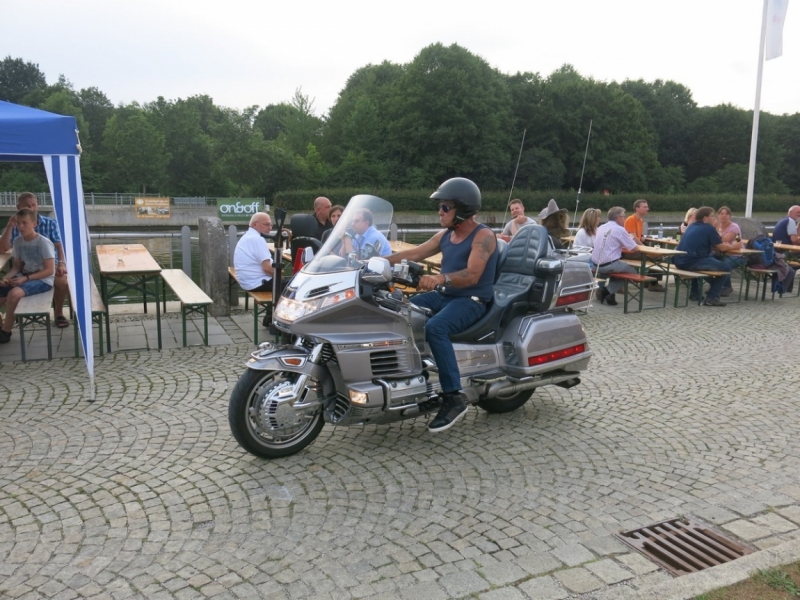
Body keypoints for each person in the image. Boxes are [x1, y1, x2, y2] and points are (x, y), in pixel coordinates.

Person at [388, 177, 498, 433]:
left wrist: (439, 278)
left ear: (463, 208)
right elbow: (414, 253)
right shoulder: (447, 234)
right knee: (401, 310)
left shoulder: (484, 236)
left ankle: (453, 397)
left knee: (436, 327)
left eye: (445, 207)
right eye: (440, 207)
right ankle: (412, 374)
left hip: (472, 299)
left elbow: (472, 275)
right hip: (446, 294)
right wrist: (375, 262)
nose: (440, 212)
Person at [0, 192, 70, 328]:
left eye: (34, 205)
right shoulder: (18, 228)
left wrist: (61, 263)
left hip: (50, 264)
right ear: (18, 207)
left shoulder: (49, 223)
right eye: (27, 206)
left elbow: (59, 246)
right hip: (27, 267)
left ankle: (59, 312)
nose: (32, 208)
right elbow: (4, 250)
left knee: (61, 280)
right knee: (8, 287)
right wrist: (9, 226)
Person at [0, 208, 56, 344]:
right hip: (24, 276)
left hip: (43, 280)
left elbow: (49, 270)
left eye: (24, 223)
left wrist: (25, 279)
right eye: (18, 223)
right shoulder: (18, 241)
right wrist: (6, 278)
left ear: (34, 224)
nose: (21, 226)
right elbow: (17, 266)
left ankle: (5, 332)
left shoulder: (43, 242)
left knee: (14, 294)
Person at [673, 207, 742, 307]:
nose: (714, 218)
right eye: (712, 216)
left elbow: (712, 244)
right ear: (705, 218)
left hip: (678, 260)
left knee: (702, 264)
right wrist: (732, 246)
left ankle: (695, 293)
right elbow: (721, 248)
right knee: (726, 268)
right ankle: (712, 297)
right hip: (692, 261)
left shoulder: (692, 226)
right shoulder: (709, 229)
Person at [591, 207, 639, 306]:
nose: (625, 219)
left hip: (596, 264)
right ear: (618, 218)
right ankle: (606, 291)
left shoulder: (601, 227)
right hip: (608, 264)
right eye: (623, 216)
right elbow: (634, 248)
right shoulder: (619, 229)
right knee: (634, 273)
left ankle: (610, 296)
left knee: (618, 269)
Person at [624, 199, 663, 292]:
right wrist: (644, 248)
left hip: (636, 249)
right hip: (629, 251)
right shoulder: (631, 219)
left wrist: (642, 237)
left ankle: (649, 280)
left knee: (657, 256)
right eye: (645, 207)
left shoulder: (640, 220)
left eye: (647, 207)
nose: (647, 209)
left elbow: (637, 235)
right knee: (658, 256)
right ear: (637, 208)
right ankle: (652, 283)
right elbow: (632, 237)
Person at [233, 212, 274, 293]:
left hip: (247, 282)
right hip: (258, 283)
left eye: (271, 225)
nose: (270, 228)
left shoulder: (247, 236)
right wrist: (280, 276)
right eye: (266, 224)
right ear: (255, 224)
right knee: (297, 287)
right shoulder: (257, 239)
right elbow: (267, 269)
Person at [715, 206, 745, 296]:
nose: (724, 216)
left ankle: (727, 287)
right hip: (722, 253)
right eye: (722, 213)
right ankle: (715, 286)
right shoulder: (716, 226)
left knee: (724, 265)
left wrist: (717, 229)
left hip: (737, 255)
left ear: (730, 216)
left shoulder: (734, 227)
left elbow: (724, 240)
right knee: (707, 260)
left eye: (726, 214)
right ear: (718, 215)